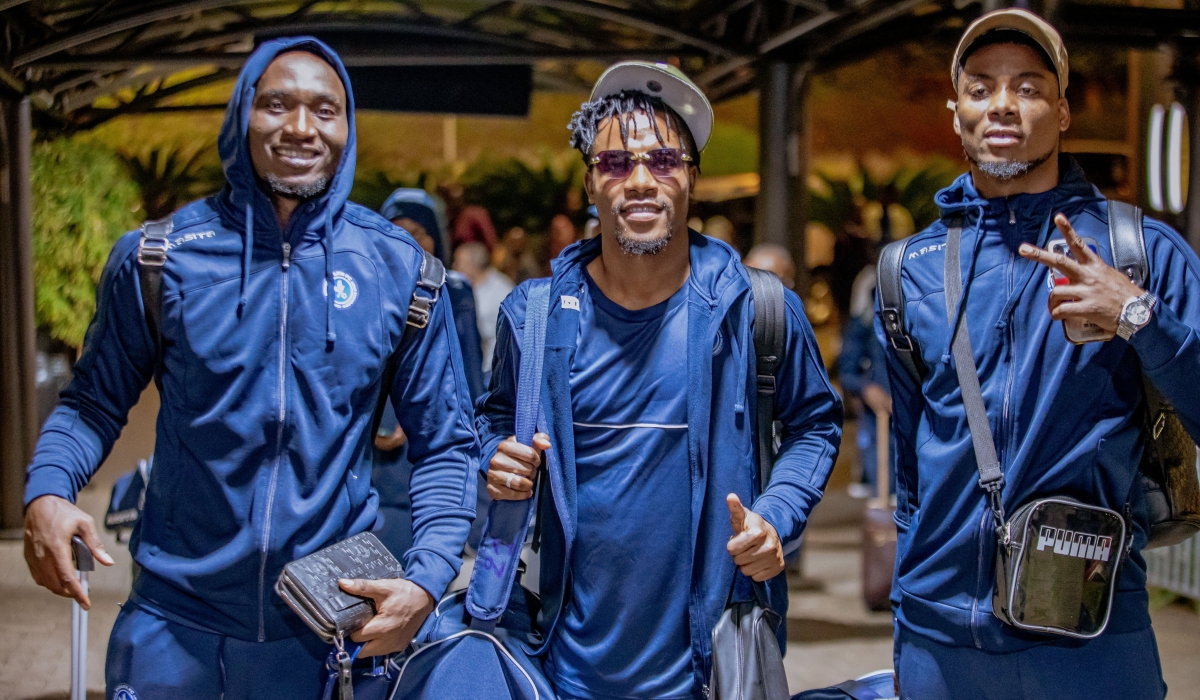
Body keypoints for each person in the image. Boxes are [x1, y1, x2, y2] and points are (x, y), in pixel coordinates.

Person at [22, 38, 479, 698]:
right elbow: (92, 402)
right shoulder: (159, 259)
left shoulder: (400, 274)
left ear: (347, 129)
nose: (300, 127)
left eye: (325, 109)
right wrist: (48, 491)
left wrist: (427, 579)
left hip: (326, 636)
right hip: (173, 628)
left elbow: (446, 445)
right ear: (242, 114)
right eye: (277, 104)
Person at [477, 61, 843, 699]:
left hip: (708, 671)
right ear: (590, 183)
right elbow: (494, 419)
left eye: (664, 160)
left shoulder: (756, 310)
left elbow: (814, 424)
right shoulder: (532, 317)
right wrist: (495, 456)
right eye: (615, 164)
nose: (640, 181)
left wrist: (775, 517)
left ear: (691, 178)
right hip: (559, 667)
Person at [878, 10, 1200, 699]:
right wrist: (907, 620)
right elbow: (910, 467)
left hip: (1090, 636)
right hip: (940, 643)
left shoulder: (1137, 253)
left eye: (1027, 87)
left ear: (1062, 112)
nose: (1002, 104)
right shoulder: (907, 271)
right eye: (981, 87)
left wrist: (1138, 317)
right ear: (956, 111)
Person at [373, 188, 486, 559]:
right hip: (375, 465)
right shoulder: (367, 291)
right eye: (396, 228)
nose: (407, 240)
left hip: (428, 450)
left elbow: (468, 383)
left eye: (419, 232)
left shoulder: (454, 293)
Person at [452, 241, 514, 376]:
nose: (454, 267)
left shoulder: (502, 290)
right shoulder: (466, 288)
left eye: (458, 262)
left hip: (492, 371)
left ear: (472, 266)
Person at [439, 181, 498, 251]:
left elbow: (490, 240)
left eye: (458, 199)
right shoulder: (447, 218)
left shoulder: (476, 214)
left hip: (475, 256)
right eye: (450, 199)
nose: (455, 203)